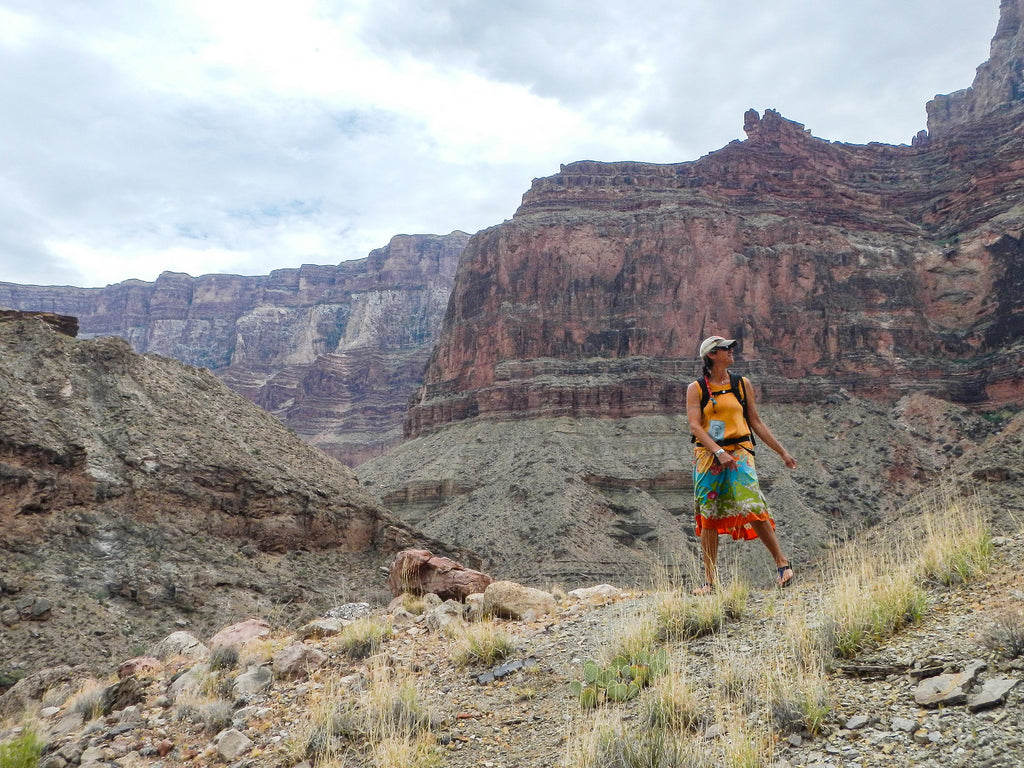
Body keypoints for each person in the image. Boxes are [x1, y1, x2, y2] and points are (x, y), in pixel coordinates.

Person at [686, 335, 796, 594]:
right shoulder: (697, 388)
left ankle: (782, 564)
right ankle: (710, 581)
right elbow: (694, 425)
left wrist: (782, 452)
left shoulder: (741, 384)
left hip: (740, 451)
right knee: (709, 513)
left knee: (752, 501)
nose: (732, 351)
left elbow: (755, 422)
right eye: (726, 348)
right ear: (712, 355)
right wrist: (717, 450)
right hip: (708, 455)